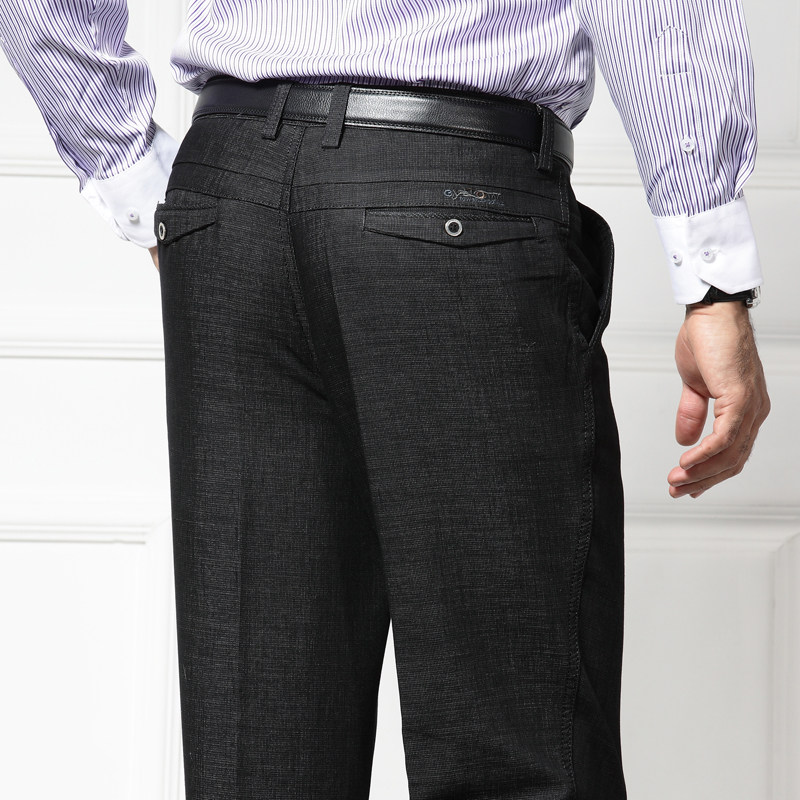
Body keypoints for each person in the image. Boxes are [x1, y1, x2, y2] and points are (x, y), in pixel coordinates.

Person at [0, 2, 770, 798]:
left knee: (259, 758)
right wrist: (712, 280)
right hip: (452, 192)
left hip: (230, 190)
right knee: (517, 754)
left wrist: (130, 169)